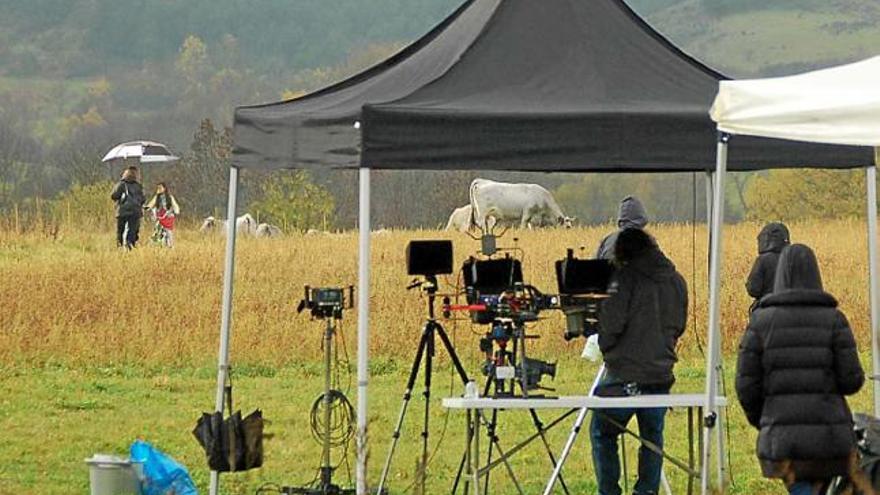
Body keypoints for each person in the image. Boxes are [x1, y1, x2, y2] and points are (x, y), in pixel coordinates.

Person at [736, 244, 864, 495]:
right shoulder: (835, 320)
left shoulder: (760, 324)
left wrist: (764, 421)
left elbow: (746, 386)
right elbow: (852, 381)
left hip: (784, 442)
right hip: (830, 441)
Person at [591, 228, 688, 495]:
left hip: (625, 374)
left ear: (624, 252)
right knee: (652, 438)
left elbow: (611, 326)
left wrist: (601, 341)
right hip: (661, 373)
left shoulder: (623, 279)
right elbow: (678, 325)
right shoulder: (677, 280)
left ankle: (609, 491)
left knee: (603, 432)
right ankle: (646, 491)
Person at [746, 222, 790, 306]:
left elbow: (753, 289)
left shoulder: (762, 260)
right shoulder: (792, 258)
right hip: (790, 309)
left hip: (766, 308)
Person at [110, 166, 146, 249]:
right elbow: (143, 199)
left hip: (122, 211)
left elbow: (113, 196)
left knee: (120, 230)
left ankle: (119, 246)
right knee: (132, 230)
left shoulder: (121, 184)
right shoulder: (139, 186)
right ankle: (130, 246)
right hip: (135, 211)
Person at [146, 182, 181, 247]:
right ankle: (156, 244)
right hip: (160, 217)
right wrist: (146, 208)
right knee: (157, 230)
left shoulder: (170, 197)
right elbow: (151, 204)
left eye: (160, 188)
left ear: (164, 188)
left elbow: (175, 205)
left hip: (168, 217)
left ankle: (170, 245)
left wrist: (176, 211)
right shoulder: (157, 197)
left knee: (168, 232)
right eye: (158, 188)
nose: (159, 189)